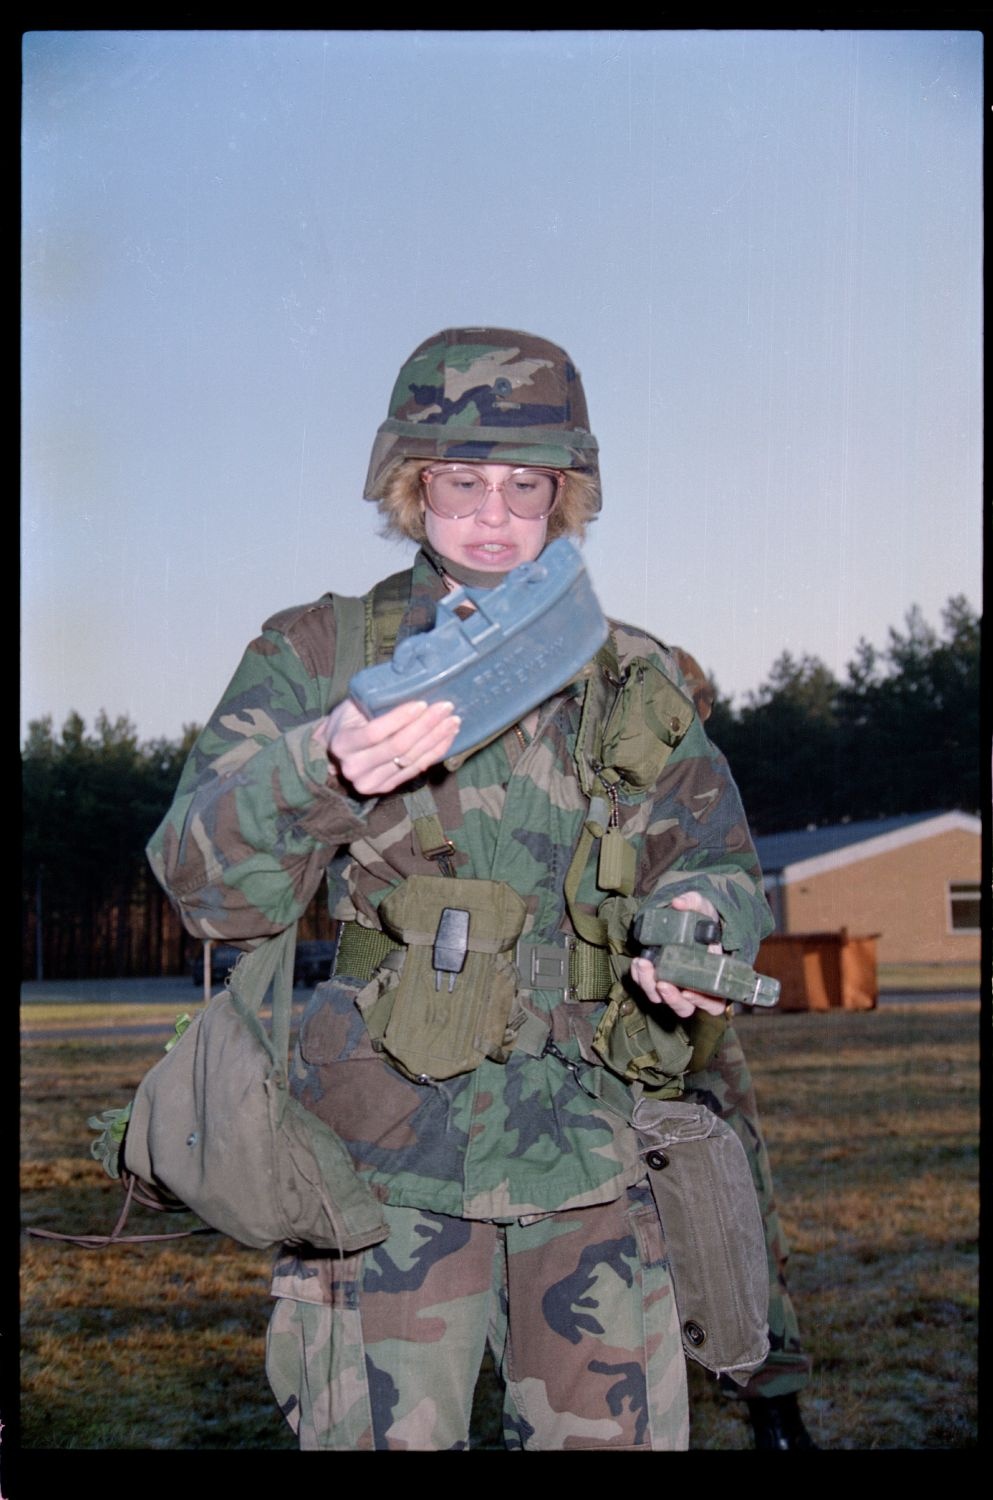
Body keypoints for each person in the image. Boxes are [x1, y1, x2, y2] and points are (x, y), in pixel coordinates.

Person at [149, 326, 805, 1451]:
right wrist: (320, 763)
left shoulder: (633, 674)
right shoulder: (319, 654)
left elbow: (717, 860)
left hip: (595, 1150)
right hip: (382, 1163)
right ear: (412, 486)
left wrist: (697, 920)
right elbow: (205, 889)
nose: (493, 514)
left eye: (525, 484)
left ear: (567, 494)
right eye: (460, 482)